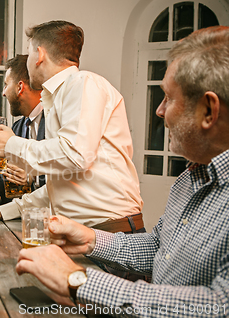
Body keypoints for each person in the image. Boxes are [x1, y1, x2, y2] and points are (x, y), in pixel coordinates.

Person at [16, 26, 229, 315]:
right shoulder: (187, 181)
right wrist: (91, 239)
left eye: (168, 97)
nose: (160, 110)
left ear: (208, 111)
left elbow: (219, 306)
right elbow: (157, 248)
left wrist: (78, 282)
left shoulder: (83, 84)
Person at [0, 21, 143, 233]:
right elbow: (61, 186)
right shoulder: (59, 98)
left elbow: (75, 154)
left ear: (39, 55)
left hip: (112, 233)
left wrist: (11, 144)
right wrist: (4, 211)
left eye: (28, 53)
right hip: (85, 233)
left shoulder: (83, 82)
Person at [0, 55, 45, 208]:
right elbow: (7, 176)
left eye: (6, 85)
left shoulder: (54, 122)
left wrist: (32, 178)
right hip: (20, 217)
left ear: (19, 87)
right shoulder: (17, 127)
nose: (3, 93)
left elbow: (65, 173)